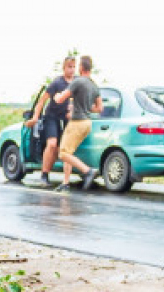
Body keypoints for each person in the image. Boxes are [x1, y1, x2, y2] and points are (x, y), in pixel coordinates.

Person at [25, 57, 76, 187]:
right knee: (52, 144)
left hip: (66, 118)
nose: (71, 70)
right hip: (52, 116)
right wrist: (35, 117)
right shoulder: (57, 83)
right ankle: (44, 175)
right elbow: (42, 101)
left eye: (73, 67)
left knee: (63, 149)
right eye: (69, 67)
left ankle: (66, 181)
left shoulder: (76, 82)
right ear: (64, 68)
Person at [57, 55, 102, 191]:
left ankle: (87, 171)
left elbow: (61, 99)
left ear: (81, 67)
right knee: (69, 153)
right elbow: (99, 108)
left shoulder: (78, 82)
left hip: (76, 123)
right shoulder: (94, 85)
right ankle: (65, 183)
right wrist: (85, 107)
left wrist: (56, 96)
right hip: (87, 123)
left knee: (63, 153)